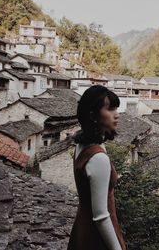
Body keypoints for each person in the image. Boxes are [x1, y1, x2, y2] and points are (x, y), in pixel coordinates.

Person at [67, 85, 127, 250]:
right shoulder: (98, 157)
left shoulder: (82, 145)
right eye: (110, 109)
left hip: (82, 226)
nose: (117, 115)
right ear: (93, 115)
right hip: (96, 236)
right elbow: (101, 216)